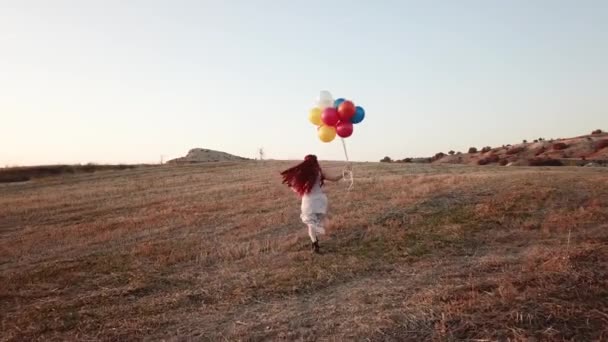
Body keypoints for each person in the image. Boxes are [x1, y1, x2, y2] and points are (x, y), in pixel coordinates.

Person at [280, 155, 346, 253]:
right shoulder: (320, 172)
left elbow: (293, 186)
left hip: (309, 202)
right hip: (321, 201)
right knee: (313, 223)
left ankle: (317, 238)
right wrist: (345, 173)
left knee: (310, 223)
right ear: (316, 162)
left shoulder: (302, 173)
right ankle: (315, 244)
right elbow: (335, 179)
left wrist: (295, 187)